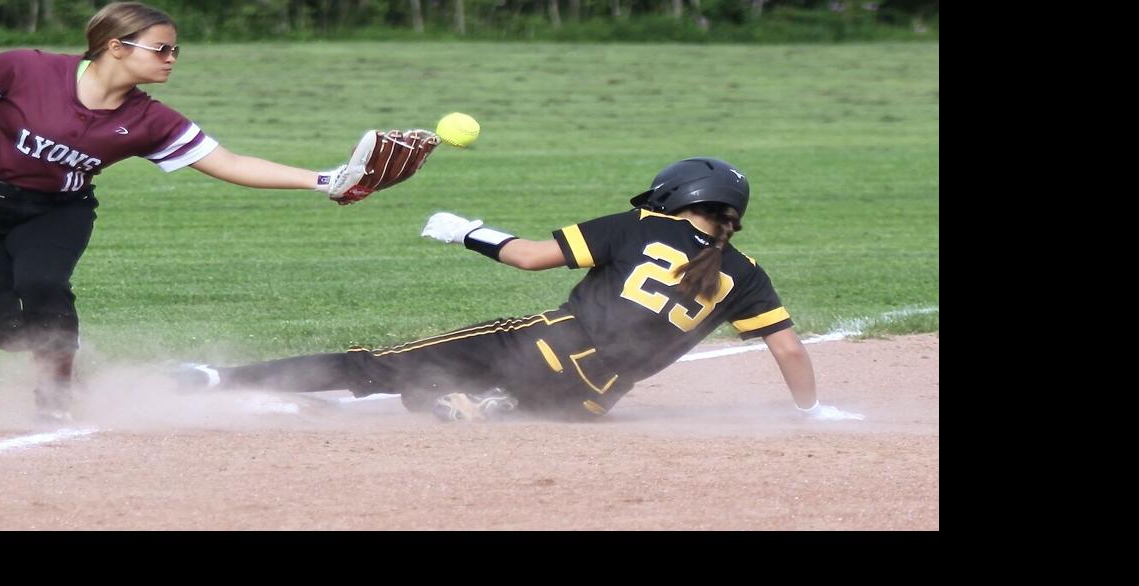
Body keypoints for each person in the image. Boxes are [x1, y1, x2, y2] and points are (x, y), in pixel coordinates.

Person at [0, 2, 389, 422]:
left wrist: (324, 181)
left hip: (55, 211)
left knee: (42, 283)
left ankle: (56, 386)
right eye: (160, 48)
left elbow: (228, 163)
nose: (171, 58)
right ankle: (58, 355)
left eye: (174, 49)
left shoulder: (153, 118)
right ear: (116, 46)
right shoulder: (29, 69)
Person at [178, 157, 863, 423]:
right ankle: (476, 400)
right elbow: (791, 352)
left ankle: (215, 378)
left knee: (375, 362)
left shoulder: (643, 224)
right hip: (593, 401)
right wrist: (810, 409)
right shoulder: (745, 273)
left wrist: (465, 231)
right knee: (497, 393)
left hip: (546, 345)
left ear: (676, 194)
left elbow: (532, 257)